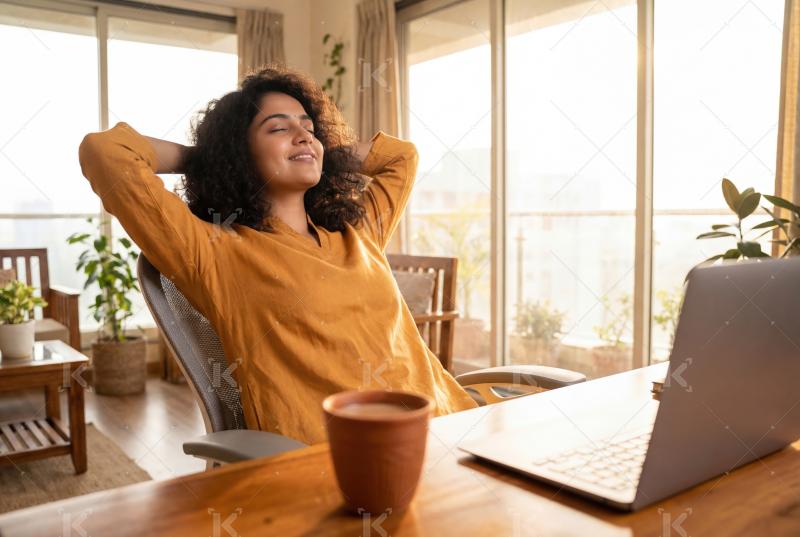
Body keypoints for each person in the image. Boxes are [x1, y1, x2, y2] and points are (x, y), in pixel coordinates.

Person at [78, 64, 477, 444]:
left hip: (449, 428)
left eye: (309, 127)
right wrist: (208, 158)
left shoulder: (359, 233)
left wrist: (327, 155)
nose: (304, 136)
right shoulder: (214, 253)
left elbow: (401, 157)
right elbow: (105, 152)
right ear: (240, 153)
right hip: (335, 462)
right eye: (279, 128)